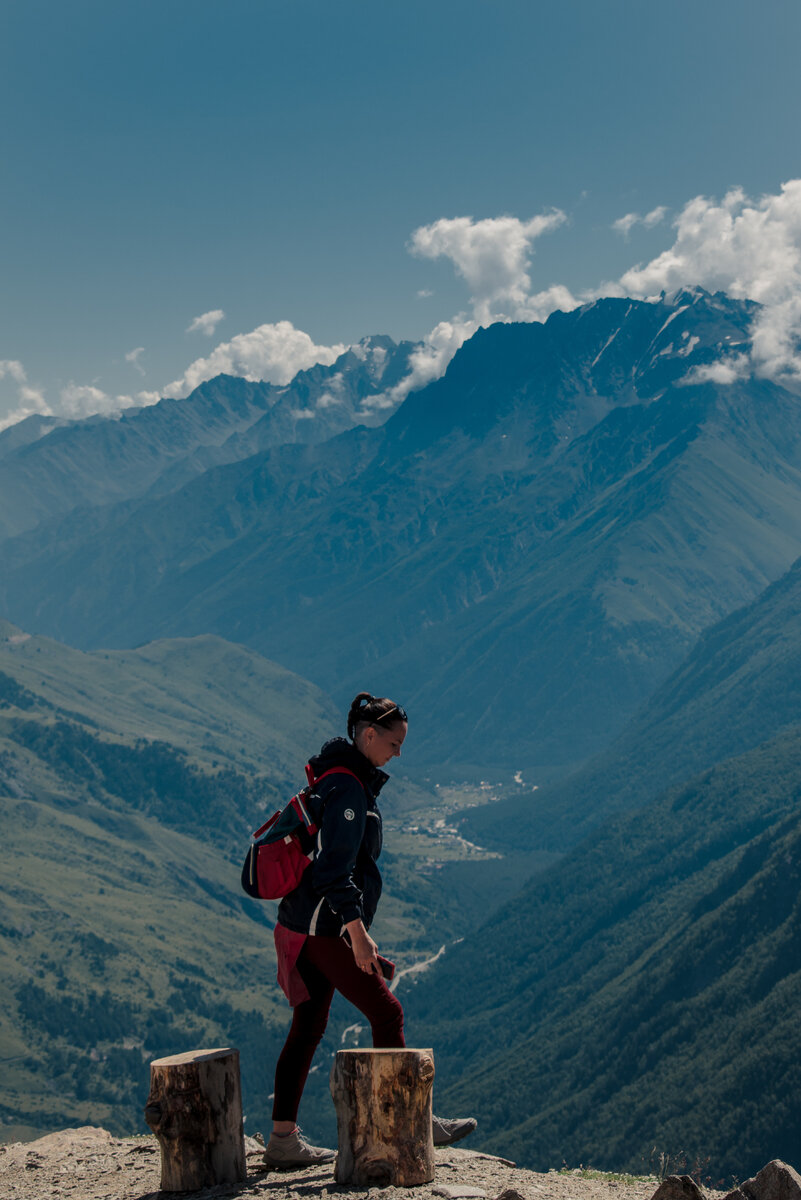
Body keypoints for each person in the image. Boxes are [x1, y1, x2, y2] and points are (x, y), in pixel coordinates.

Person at [263, 691, 477, 1167]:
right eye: (394, 743)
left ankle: (281, 1140)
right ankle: (407, 1125)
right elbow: (334, 872)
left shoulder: (339, 780)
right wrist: (357, 935)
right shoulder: (348, 790)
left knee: (308, 1027)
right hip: (324, 929)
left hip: (303, 925)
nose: (398, 753)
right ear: (368, 734)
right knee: (387, 1013)